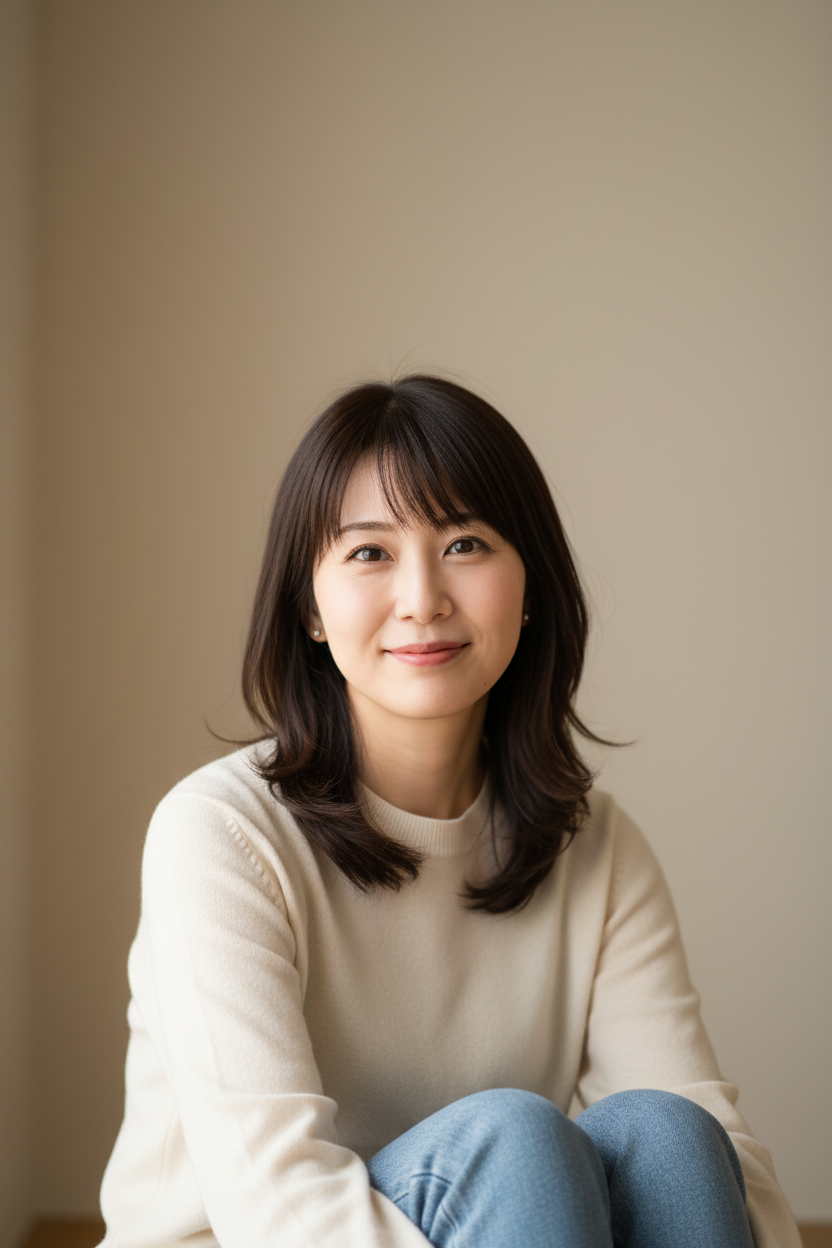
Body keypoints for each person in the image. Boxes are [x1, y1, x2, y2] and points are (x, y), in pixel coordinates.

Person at [99, 375, 801, 1248]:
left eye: (466, 543)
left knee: (670, 1137)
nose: (423, 598)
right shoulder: (220, 835)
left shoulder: (598, 849)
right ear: (310, 607)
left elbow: (718, 1155)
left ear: (530, 584)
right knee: (515, 1139)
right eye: (368, 553)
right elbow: (274, 1205)